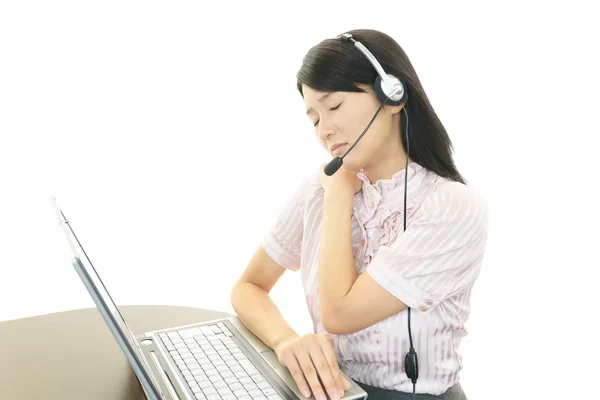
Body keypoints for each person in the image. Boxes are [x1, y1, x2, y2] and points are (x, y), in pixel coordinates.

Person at [230, 29, 489, 400]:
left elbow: (339, 314)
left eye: (333, 107)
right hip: (334, 392)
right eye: (314, 119)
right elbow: (248, 287)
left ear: (392, 96)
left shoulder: (452, 206)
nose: (324, 131)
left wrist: (338, 196)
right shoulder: (316, 190)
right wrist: (286, 342)